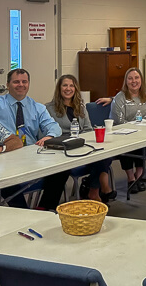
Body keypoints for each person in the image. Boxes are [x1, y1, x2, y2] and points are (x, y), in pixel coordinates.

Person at [0, 68, 66, 209]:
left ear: (28, 84)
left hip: (31, 154)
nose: (21, 85)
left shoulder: (37, 107)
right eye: (16, 82)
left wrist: (49, 136)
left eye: (24, 82)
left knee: (62, 168)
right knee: (6, 176)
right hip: (4, 155)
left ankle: (44, 209)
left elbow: (54, 126)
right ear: (8, 84)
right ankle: (23, 212)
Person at [45, 74, 116, 203]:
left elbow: (88, 128)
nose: (68, 89)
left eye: (71, 85)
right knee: (100, 161)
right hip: (64, 150)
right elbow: (51, 132)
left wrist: (83, 139)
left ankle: (93, 190)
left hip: (82, 145)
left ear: (75, 89)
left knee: (105, 154)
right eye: (65, 85)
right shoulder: (49, 108)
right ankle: (98, 188)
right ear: (59, 88)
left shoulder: (81, 107)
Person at [112, 67, 146, 194]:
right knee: (129, 145)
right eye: (130, 78)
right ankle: (131, 179)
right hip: (122, 136)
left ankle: (138, 177)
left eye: (136, 78)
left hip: (143, 135)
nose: (134, 81)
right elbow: (119, 121)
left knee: (141, 144)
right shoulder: (119, 98)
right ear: (126, 81)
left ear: (141, 80)